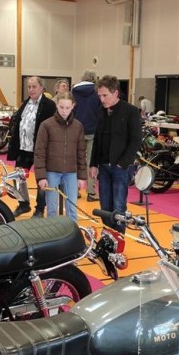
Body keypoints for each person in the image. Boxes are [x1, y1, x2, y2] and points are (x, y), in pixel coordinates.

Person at [89, 75, 142, 234]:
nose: (102, 99)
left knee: (119, 206)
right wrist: (93, 164)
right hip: (103, 167)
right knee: (105, 206)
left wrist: (123, 163)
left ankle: (119, 238)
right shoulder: (100, 112)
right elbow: (97, 139)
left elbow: (136, 140)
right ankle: (108, 236)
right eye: (99, 96)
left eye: (105, 95)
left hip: (121, 167)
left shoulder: (131, 111)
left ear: (116, 93)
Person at [7, 76, 57, 218]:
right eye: (29, 87)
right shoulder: (25, 103)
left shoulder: (49, 105)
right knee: (18, 178)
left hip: (40, 149)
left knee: (41, 179)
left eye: (34, 87)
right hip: (23, 148)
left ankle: (40, 209)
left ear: (41, 88)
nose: (31, 89)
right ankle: (23, 204)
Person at [34, 92, 87, 222]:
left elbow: (81, 152)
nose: (64, 111)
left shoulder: (78, 126)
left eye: (67, 108)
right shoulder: (46, 125)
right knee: (51, 209)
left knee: (72, 208)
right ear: (56, 105)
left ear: (73, 106)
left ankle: (73, 233)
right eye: (61, 107)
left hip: (71, 173)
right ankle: (52, 233)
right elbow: (39, 152)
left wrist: (82, 176)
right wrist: (41, 177)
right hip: (52, 172)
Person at [71, 70, 101, 202]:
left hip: (76, 129)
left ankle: (75, 190)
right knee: (91, 162)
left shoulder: (73, 92)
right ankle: (91, 192)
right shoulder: (97, 92)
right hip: (93, 130)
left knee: (76, 160)